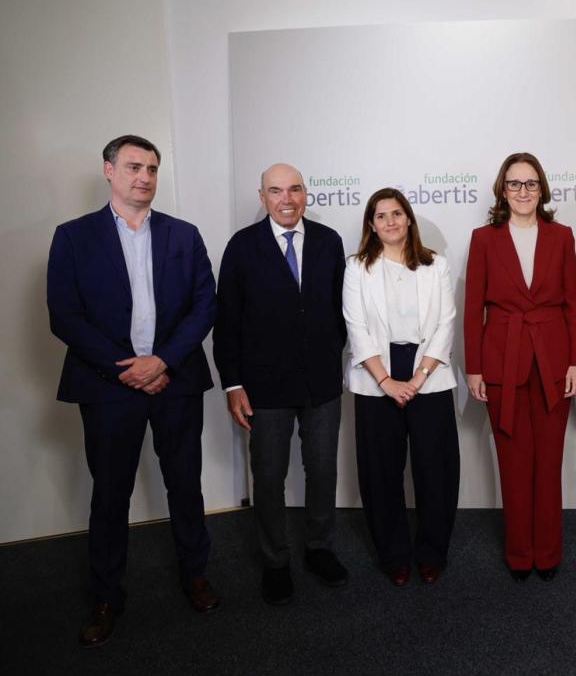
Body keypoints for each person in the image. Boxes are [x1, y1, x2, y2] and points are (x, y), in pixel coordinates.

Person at [47, 134, 220, 647]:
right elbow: (65, 315)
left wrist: (163, 360)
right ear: (109, 171)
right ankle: (106, 597)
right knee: (110, 493)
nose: (144, 177)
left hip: (175, 380)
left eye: (151, 169)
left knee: (185, 484)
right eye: (133, 167)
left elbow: (205, 305)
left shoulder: (183, 235)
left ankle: (196, 574)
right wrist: (125, 369)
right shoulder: (73, 237)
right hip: (109, 386)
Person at [213, 162, 349, 605]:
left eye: (294, 189)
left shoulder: (329, 241)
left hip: (321, 383)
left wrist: (329, 352)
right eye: (276, 191)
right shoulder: (242, 246)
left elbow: (341, 310)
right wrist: (233, 384)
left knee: (323, 470)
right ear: (262, 197)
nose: (286, 199)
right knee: (269, 476)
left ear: (306, 193)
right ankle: (275, 561)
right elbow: (227, 320)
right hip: (264, 386)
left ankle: (319, 548)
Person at [464, 152, 576, 581]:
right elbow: (473, 307)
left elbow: (573, 304)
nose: (523, 191)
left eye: (531, 183)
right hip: (502, 360)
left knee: (548, 463)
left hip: (554, 362)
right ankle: (519, 554)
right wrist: (474, 368)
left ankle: (547, 553)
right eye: (514, 183)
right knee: (513, 464)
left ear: (542, 189)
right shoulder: (483, 239)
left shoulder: (562, 236)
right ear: (503, 189)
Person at [342, 188, 460, 586]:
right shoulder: (357, 267)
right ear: (372, 225)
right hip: (376, 375)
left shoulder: (435, 265)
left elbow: (445, 323)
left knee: (436, 470)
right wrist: (386, 381)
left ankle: (432, 553)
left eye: (396, 213)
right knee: (381, 473)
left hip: (429, 371)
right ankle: (393, 556)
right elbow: (356, 327)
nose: (390, 221)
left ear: (408, 219)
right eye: (381, 216)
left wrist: (418, 378)